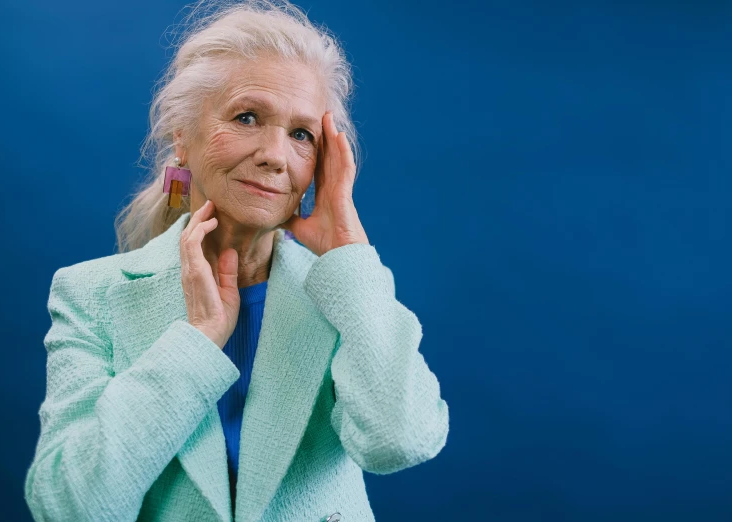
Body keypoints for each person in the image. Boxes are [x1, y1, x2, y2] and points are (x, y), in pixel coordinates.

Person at [23, 1, 449, 521]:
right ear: (182, 136)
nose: (275, 154)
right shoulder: (89, 293)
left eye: (301, 135)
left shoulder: (344, 292)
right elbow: (67, 506)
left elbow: (399, 442)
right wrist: (197, 343)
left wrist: (351, 256)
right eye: (247, 117)